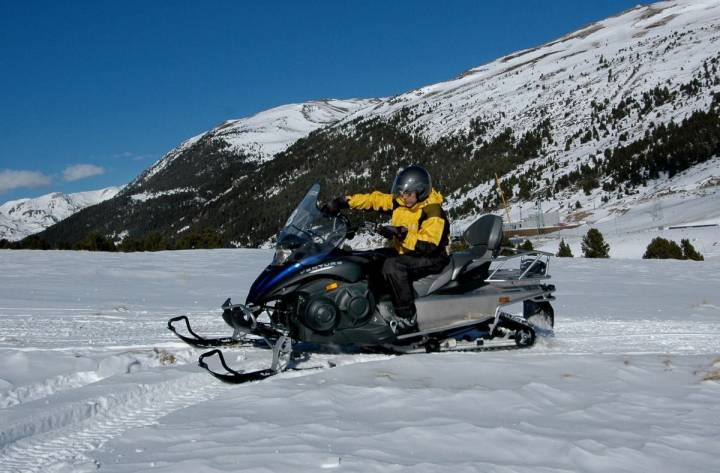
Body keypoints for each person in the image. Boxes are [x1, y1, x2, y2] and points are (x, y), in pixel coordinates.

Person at [323, 165, 450, 333]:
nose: (404, 197)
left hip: (433, 257)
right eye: (402, 193)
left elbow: (428, 245)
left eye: (408, 194)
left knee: (393, 266)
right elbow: (374, 199)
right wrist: (343, 202)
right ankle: (374, 306)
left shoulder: (432, 211)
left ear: (420, 191)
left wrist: (400, 234)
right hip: (407, 251)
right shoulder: (401, 203)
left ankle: (407, 318)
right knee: (370, 258)